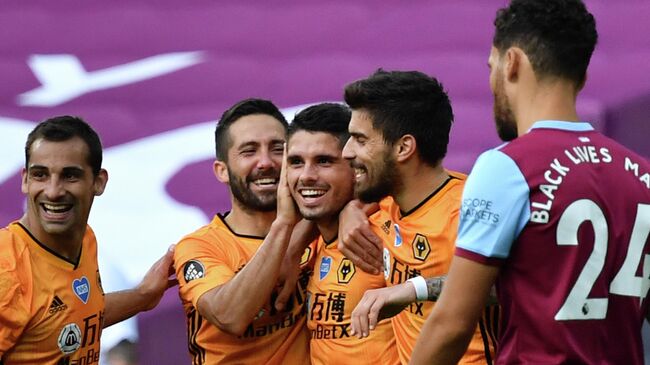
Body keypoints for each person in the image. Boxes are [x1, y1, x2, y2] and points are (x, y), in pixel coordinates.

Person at [409, 1, 650, 364]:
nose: (491, 81)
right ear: (581, 78)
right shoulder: (642, 174)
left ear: (512, 62)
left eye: (491, 67)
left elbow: (452, 324)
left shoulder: (507, 166)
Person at [339, 70, 498, 364]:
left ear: (403, 148)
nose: (347, 152)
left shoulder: (467, 210)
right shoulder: (386, 202)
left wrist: (413, 289)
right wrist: (349, 212)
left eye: (360, 140)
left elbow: (508, 285)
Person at [0, 116, 175, 365]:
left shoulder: (84, 238)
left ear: (99, 182)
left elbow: (70, 315)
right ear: (25, 180)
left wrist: (143, 296)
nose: (53, 191)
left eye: (70, 176)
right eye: (41, 175)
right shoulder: (7, 273)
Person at [173, 98, 312, 364]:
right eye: (249, 151)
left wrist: (352, 209)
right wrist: (284, 225)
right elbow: (230, 316)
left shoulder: (320, 229)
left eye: (277, 149)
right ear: (221, 171)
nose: (266, 162)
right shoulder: (200, 246)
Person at [285, 102, 400, 365]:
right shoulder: (305, 246)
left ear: (356, 165)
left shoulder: (388, 226)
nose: (306, 176)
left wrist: (357, 204)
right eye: (295, 162)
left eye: (324, 161)